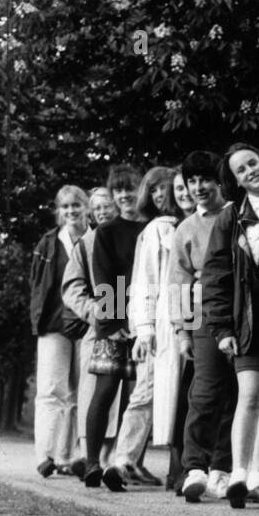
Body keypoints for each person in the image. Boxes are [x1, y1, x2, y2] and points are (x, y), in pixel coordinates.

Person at [201, 143, 259, 508]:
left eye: (253, 162)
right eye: (241, 170)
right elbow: (215, 276)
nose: (251, 170)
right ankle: (238, 472)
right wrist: (222, 329)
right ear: (234, 181)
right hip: (247, 320)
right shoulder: (231, 217)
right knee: (250, 394)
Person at [171, 150, 234, 501]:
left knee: (238, 394)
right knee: (205, 392)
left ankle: (223, 468)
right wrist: (182, 331)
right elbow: (177, 282)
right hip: (202, 317)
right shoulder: (186, 229)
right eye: (191, 181)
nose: (198, 187)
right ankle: (194, 465)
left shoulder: (237, 215)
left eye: (205, 180)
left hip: (240, 314)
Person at [82, 164, 148, 490]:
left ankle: (128, 463)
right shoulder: (106, 232)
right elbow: (104, 282)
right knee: (106, 390)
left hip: (145, 324)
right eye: (118, 189)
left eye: (130, 187)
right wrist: (117, 323)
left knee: (137, 397)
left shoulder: (152, 228)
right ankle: (93, 462)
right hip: (114, 324)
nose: (124, 195)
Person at [112, 165, 179, 486]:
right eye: (153, 190)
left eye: (164, 187)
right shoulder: (154, 230)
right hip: (161, 326)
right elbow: (143, 284)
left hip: (190, 321)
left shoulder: (185, 222)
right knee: (146, 392)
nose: (160, 194)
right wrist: (145, 329)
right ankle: (122, 459)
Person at [138, 170, 196, 487]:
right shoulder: (161, 229)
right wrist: (144, 326)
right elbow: (144, 280)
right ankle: (179, 467)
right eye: (178, 189)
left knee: (200, 391)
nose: (183, 193)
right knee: (177, 393)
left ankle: (201, 464)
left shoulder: (210, 220)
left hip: (203, 312)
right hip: (173, 315)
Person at [29, 184, 89, 477]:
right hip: (53, 324)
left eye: (76, 206)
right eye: (65, 207)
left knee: (80, 392)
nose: (71, 212)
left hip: (86, 324)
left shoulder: (95, 239)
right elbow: (37, 284)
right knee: (51, 390)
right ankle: (46, 454)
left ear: (85, 207)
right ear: (58, 211)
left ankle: (69, 456)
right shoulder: (48, 243)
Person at [62, 186, 121, 476]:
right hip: (99, 328)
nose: (101, 211)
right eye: (95, 207)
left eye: (106, 205)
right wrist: (93, 310)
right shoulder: (86, 243)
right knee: (94, 391)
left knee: (127, 393)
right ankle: (90, 457)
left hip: (132, 324)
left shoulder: (130, 235)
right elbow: (72, 287)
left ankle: (116, 458)